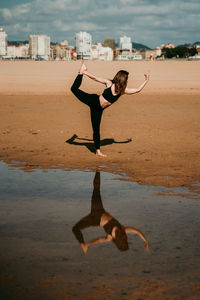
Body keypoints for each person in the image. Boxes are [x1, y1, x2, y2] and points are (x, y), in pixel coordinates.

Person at [71, 61, 149, 157]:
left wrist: (146, 80)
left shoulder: (122, 91)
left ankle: (98, 151)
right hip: (93, 100)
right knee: (74, 89)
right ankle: (80, 72)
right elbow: (95, 78)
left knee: (96, 130)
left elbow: (137, 90)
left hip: (98, 110)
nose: (128, 81)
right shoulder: (109, 83)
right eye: (127, 79)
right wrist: (84, 73)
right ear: (122, 79)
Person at [72, 171, 150, 255]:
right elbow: (99, 240)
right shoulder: (112, 237)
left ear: (123, 241)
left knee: (96, 189)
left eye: (127, 242)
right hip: (96, 216)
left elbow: (137, 232)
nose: (127, 240)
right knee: (75, 228)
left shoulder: (123, 229)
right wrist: (87, 244)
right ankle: (83, 244)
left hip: (97, 213)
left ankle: (98, 169)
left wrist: (146, 242)